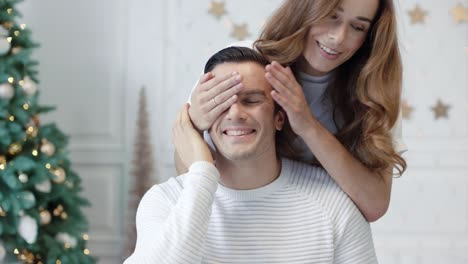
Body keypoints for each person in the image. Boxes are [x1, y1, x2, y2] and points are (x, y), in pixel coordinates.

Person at [125, 47, 378, 263]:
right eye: (221, 101)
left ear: (279, 117)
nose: (234, 113)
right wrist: (202, 172)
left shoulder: (334, 206)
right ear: (204, 116)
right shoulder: (164, 201)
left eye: (252, 100)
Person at [176, 0, 407, 222]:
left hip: (313, 232)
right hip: (230, 223)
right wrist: (195, 125)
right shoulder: (246, 65)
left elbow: (375, 204)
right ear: (305, 6)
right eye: (330, 16)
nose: (338, 38)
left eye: (358, 27)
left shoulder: (372, 95)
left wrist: (308, 125)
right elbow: (184, 176)